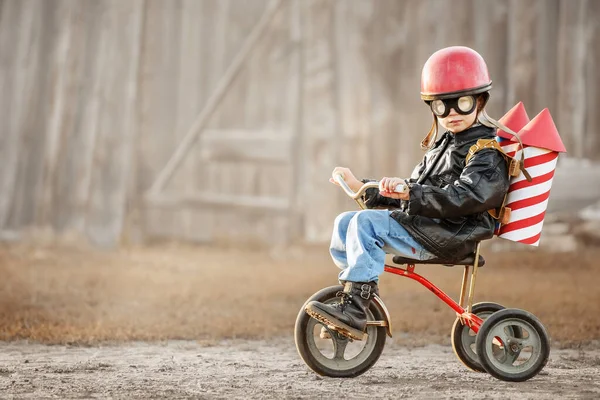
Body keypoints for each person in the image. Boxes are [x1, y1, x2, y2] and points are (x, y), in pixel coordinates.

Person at [305, 46, 511, 341]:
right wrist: (367, 187)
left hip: (451, 235)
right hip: (428, 226)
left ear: (479, 101)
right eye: (442, 106)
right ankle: (354, 296)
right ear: (432, 107)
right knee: (344, 222)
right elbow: (412, 191)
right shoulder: (442, 147)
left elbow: (467, 197)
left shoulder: (486, 154)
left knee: (365, 224)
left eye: (462, 103)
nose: (451, 113)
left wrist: (410, 193)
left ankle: (355, 306)